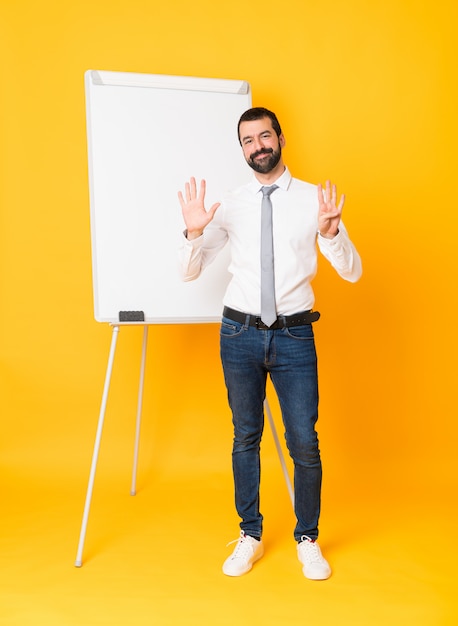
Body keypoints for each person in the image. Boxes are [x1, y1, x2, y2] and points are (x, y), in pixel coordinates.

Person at [178, 107, 362, 580]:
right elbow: (190, 271)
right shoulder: (232, 203)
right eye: (248, 140)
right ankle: (251, 534)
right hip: (238, 333)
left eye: (265, 136)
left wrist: (333, 233)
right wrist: (194, 233)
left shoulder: (314, 200)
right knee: (245, 436)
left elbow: (352, 271)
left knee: (304, 441)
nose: (258, 146)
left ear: (280, 138)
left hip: (295, 334)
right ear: (241, 149)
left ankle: (308, 538)